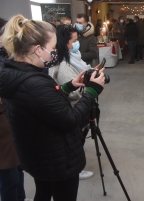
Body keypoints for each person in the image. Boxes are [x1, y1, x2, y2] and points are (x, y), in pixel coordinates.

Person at [0, 15, 105, 201]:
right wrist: (92, 91)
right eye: (53, 48)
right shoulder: (34, 83)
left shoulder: (16, 73)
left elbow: (42, 105)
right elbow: (71, 120)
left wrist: (68, 86)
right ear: (38, 50)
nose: (56, 51)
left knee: (43, 192)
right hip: (56, 161)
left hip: (38, 156)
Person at [49, 24, 103, 180]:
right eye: (74, 41)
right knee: (74, 140)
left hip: (78, 108)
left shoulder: (73, 57)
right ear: (64, 43)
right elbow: (73, 92)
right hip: (74, 110)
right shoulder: (63, 65)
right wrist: (93, 87)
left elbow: (80, 74)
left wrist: (91, 75)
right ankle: (75, 169)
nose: (77, 44)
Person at [0, 17, 31, 201]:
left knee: (18, 172)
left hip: (12, 125)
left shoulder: (7, 58)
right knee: (9, 177)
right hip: (3, 131)